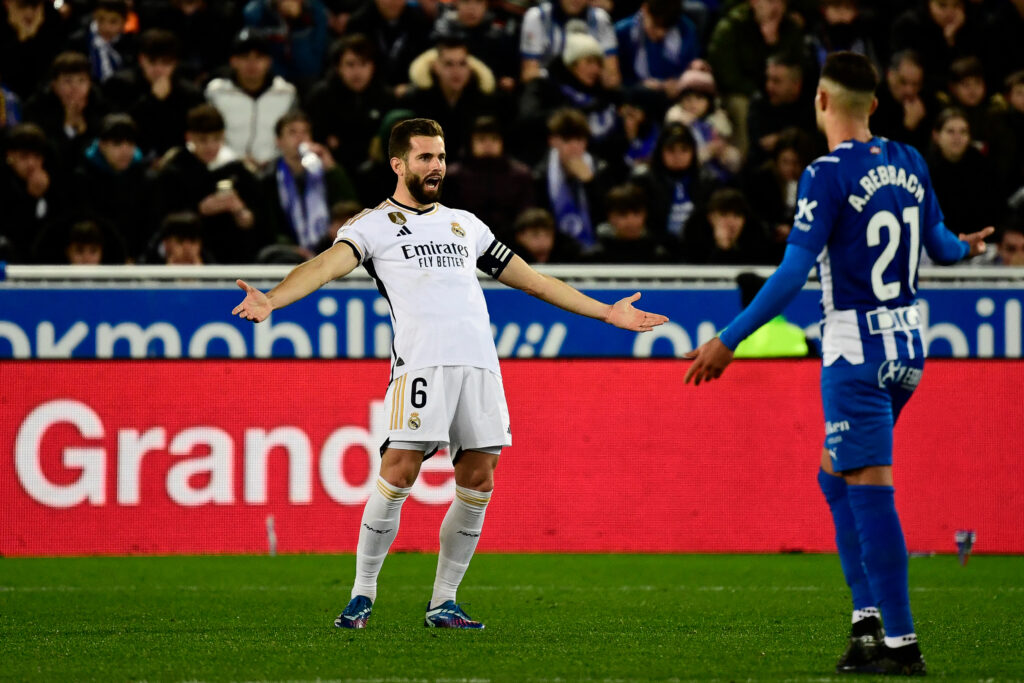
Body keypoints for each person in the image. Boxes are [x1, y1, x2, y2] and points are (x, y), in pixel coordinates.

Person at [231, 117, 667, 630]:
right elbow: (325, 267)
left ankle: (443, 602)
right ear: (398, 164)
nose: (436, 166)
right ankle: (362, 594)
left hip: (480, 366)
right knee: (399, 472)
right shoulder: (371, 226)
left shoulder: (466, 224)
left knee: (479, 478)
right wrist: (274, 299)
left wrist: (606, 312)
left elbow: (535, 281)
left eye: (439, 157)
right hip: (422, 365)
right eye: (424, 158)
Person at [684, 51, 994, 676]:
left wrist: (730, 337)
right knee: (835, 477)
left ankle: (900, 646)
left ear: (821, 101)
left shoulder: (825, 174)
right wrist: (970, 246)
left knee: (872, 490)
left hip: (855, 355)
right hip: (908, 352)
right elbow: (941, 246)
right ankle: (865, 622)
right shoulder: (910, 161)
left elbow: (796, 271)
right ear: (875, 105)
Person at [204, 29, 298, 168]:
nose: (252, 63)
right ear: (233, 61)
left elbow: (292, 135)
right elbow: (208, 134)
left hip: (274, 170)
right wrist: (237, 161)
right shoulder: (216, 91)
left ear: (268, 62)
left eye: (259, 57)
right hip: (226, 167)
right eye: (245, 57)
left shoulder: (286, 93)